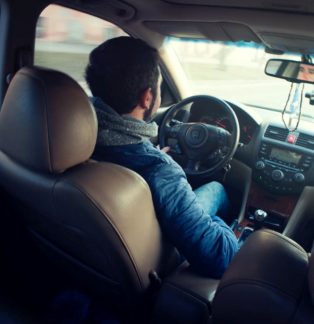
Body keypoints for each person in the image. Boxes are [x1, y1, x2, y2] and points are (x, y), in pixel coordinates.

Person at [85, 37, 238, 279]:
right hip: (160, 260)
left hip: (98, 258)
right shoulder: (160, 171)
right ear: (147, 97)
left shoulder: (75, 137)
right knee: (217, 189)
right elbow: (221, 257)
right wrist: (220, 225)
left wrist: (155, 155)